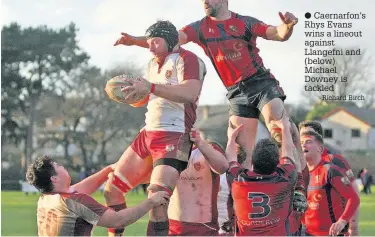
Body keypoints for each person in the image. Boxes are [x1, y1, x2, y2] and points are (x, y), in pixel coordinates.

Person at [114, 0, 298, 169]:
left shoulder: (245, 22)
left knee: (277, 124)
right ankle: (245, 198)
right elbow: (168, 39)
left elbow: (277, 33)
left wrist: (287, 26)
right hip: (235, 92)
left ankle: (296, 183)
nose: (205, 2)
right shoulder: (200, 28)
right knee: (240, 156)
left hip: (260, 82)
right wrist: (134, 41)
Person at [105, 20, 207, 236]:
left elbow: (189, 93)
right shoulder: (153, 63)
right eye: (148, 42)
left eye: (155, 42)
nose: (150, 48)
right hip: (148, 133)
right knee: (112, 190)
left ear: (170, 41)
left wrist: (149, 87)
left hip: (174, 134)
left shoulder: (189, 59)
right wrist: (134, 96)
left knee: (158, 201)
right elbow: (150, 96)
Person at [25, 155, 169, 237]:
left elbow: (82, 187)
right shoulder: (75, 201)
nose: (62, 167)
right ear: (54, 178)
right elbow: (118, 220)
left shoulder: (46, 199)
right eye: (58, 166)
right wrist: (151, 202)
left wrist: (109, 169)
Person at [226, 115, 306, 236]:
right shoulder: (286, 178)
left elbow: (231, 159)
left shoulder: (237, 180)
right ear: (277, 163)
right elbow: (288, 155)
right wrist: (285, 128)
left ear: (252, 162)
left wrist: (231, 138)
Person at [299, 120, 360, 235]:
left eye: (308, 138)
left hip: (334, 227)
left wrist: (353, 225)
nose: (303, 144)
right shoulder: (300, 167)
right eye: (301, 138)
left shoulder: (335, 161)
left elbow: (353, 192)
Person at [168, 128, 229, 236]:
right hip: (172, 229)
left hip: (203, 230)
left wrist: (199, 142)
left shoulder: (209, 148)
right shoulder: (168, 151)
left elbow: (222, 167)